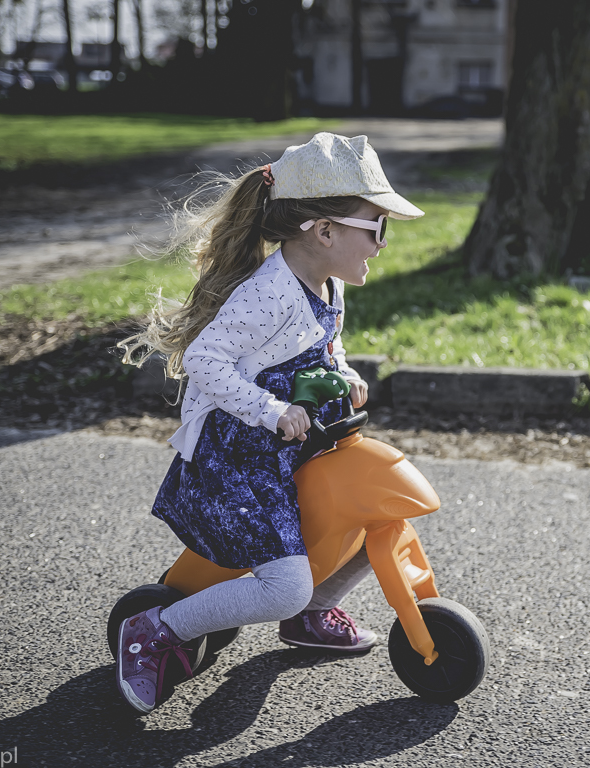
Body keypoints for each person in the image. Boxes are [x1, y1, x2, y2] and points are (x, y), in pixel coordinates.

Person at [113, 132, 424, 714]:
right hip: (237, 458)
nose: (382, 244)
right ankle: (156, 630)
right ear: (324, 230)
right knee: (283, 587)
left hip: (288, 446)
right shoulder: (267, 294)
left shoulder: (328, 283)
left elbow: (323, 345)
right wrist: (271, 410)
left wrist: (342, 370)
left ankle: (311, 613)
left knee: (368, 519)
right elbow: (205, 360)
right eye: (377, 227)